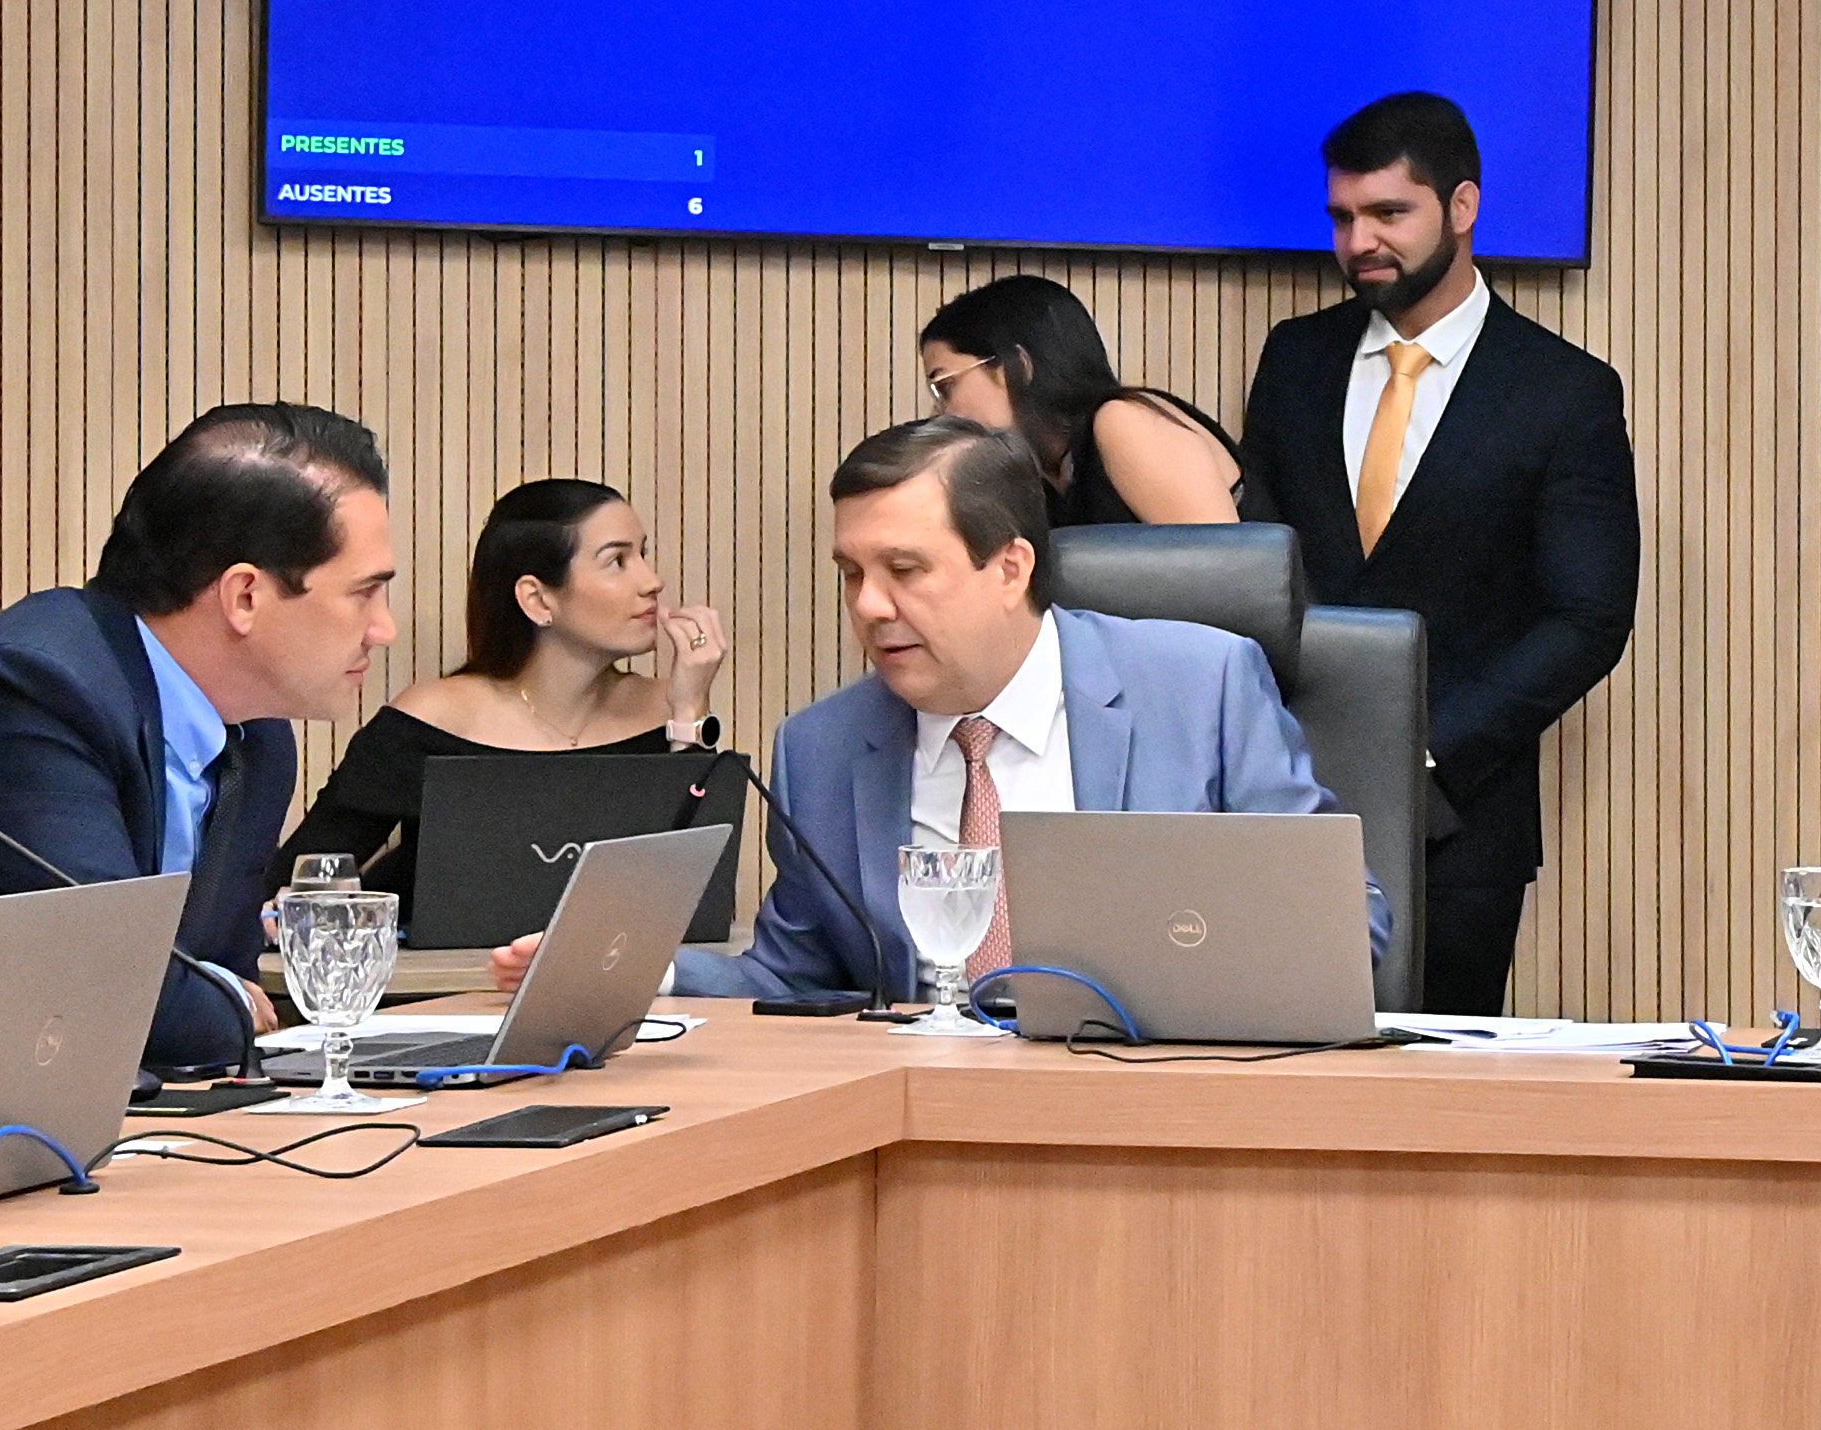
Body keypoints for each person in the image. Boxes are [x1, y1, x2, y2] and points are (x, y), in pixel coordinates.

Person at [659, 417, 1384, 1003]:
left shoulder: (1200, 688)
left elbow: (1345, 920)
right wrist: (637, 969)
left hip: (1152, 1089)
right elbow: (793, 979)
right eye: (852, 574)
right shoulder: (823, 747)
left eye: (904, 570)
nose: (870, 606)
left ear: (1011, 568)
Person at [0, 405, 401, 1118]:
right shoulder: (23, 692)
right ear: (245, 595)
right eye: (364, 593)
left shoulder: (256, 733)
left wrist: (211, 1002)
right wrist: (220, 1004)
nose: (385, 629)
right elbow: (111, 992)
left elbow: (201, 986)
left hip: (113, 1120)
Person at [1235, 92, 1639, 1017]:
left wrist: (1423, 753)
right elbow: (1260, 567)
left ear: (1463, 206)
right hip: (1282, 796)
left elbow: (1588, 616)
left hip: (1463, 822)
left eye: (1389, 213)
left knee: (1440, 1082)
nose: (1360, 242)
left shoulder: (1563, 391)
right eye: (1343, 217)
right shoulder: (1295, 359)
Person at [279, 480, 729, 906]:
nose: (652, 582)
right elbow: (295, 883)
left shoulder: (667, 714)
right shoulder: (431, 719)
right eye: (618, 561)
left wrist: (690, 711)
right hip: (438, 965)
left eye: (643, 554)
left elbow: (697, 895)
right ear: (537, 600)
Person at [919, 275, 1240, 526]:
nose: (938, 412)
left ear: (1020, 365)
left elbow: (1225, 570)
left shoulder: (1122, 422)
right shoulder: (1045, 469)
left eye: (945, 386)